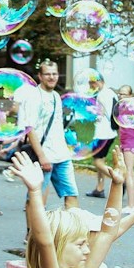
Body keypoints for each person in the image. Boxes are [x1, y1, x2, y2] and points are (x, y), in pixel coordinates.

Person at [16, 59, 79, 210]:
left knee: (71, 194)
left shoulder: (56, 96)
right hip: (44, 156)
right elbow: (30, 129)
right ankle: (32, 233)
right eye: (47, 74)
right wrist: (42, 156)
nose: (51, 77)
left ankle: (72, 232)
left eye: (54, 74)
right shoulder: (33, 96)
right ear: (40, 76)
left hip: (62, 155)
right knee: (35, 198)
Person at [86, 71, 121, 199]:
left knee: (97, 162)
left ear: (100, 82)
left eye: (93, 83)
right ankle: (99, 189)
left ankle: (118, 179)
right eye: (90, 83)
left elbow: (98, 114)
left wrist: (89, 110)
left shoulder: (102, 95)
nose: (91, 86)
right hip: (110, 132)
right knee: (101, 160)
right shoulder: (110, 93)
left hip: (102, 133)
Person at [115, 84, 134, 201]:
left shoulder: (132, 110)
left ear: (130, 96)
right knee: (129, 173)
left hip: (131, 144)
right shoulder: (122, 109)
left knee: (129, 173)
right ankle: (133, 204)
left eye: (123, 94)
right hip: (126, 143)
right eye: (119, 93)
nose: (120, 96)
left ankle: (133, 205)